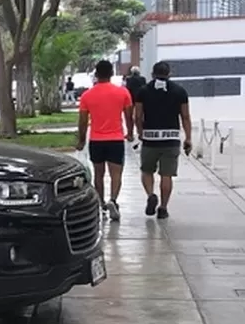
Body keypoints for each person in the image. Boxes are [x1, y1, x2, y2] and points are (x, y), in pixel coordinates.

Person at [76, 60, 135, 221]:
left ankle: (101, 203)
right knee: (116, 174)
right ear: (111, 74)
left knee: (98, 174)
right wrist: (130, 133)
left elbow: (82, 121)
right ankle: (113, 201)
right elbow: (129, 116)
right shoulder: (122, 93)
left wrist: (81, 140)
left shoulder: (87, 95)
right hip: (116, 139)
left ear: (96, 74)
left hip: (97, 140)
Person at [133, 61, 192, 219]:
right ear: (169, 74)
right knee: (167, 175)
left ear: (152, 74)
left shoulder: (143, 91)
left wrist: (140, 132)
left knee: (147, 171)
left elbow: (137, 116)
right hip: (171, 138)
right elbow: (185, 116)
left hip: (150, 138)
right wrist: (188, 138)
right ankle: (163, 208)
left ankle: (151, 194)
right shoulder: (180, 91)